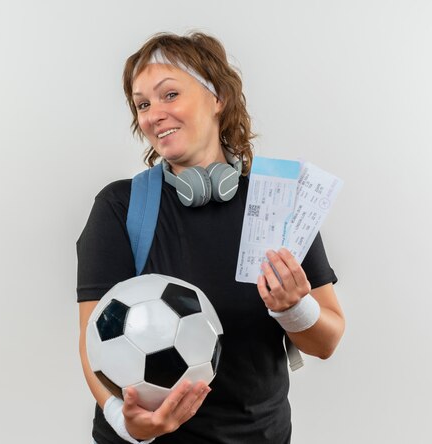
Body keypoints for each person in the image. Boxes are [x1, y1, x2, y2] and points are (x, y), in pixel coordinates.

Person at [77, 31, 345, 444]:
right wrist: (126, 424)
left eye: (169, 95)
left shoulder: (277, 205)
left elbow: (326, 340)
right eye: (143, 104)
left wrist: (294, 309)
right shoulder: (121, 206)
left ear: (218, 96)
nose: (153, 115)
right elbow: (93, 342)